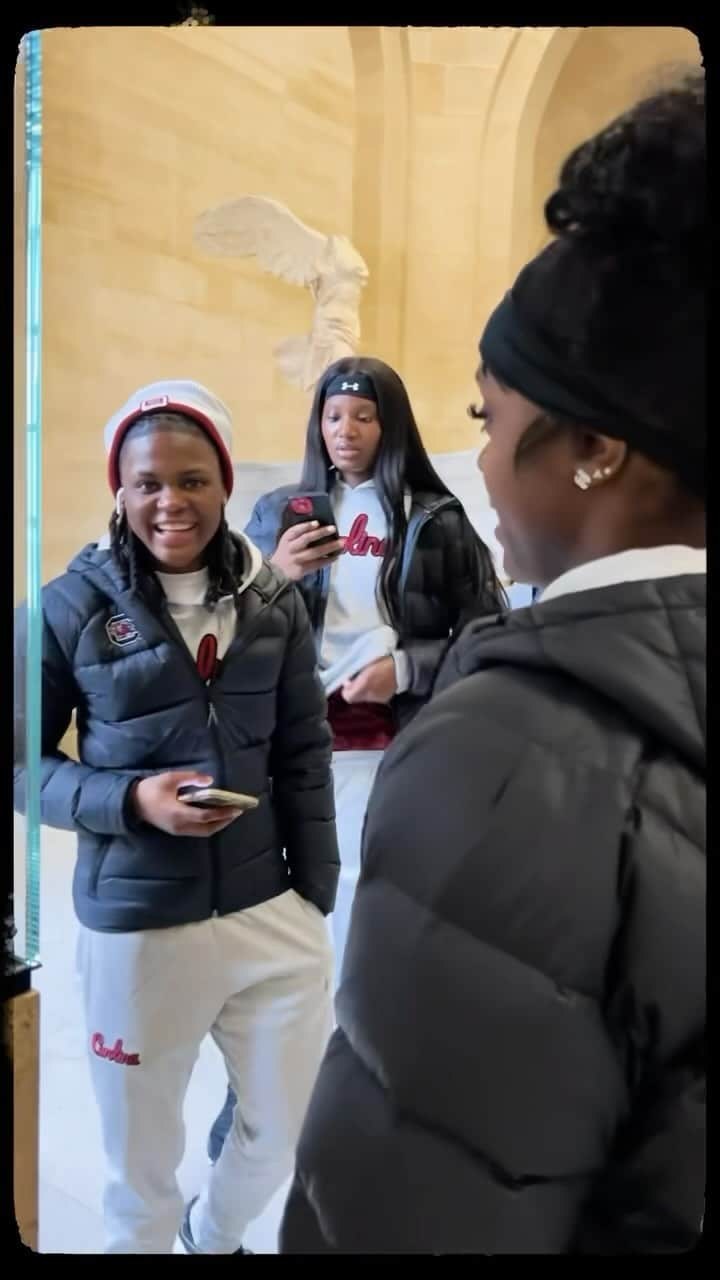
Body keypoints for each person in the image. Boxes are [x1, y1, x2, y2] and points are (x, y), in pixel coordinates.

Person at [278, 72, 706, 1254]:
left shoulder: (508, 751)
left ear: (595, 447)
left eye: (489, 416)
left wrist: (413, 674)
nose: (480, 459)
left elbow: (408, 1196)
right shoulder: (288, 515)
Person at [13, 380, 339, 1254]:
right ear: (118, 489)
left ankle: (216, 1234)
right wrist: (128, 800)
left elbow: (304, 753)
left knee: (282, 1129)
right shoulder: (64, 607)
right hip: (139, 923)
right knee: (140, 1169)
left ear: (225, 483)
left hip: (270, 910)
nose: (170, 502)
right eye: (148, 481)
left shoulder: (275, 604)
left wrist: (313, 895)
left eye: (192, 480)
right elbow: (20, 761)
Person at [206, 355, 507, 1164]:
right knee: (282, 927)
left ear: (391, 423)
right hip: (296, 748)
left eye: (365, 416)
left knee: (377, 920)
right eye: (335, 416)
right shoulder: (279, 514)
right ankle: (260, 1100)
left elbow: (488, 633)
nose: (347, 431)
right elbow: (217, 640)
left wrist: (404, 668)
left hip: (393, 748)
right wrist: (273, 574)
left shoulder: (434, 521)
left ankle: (375, 1086)